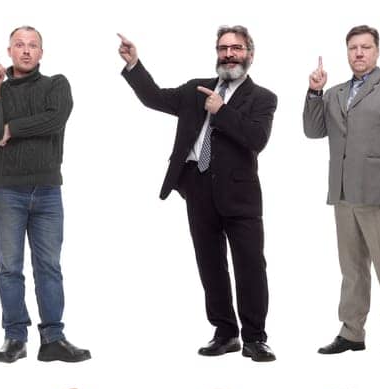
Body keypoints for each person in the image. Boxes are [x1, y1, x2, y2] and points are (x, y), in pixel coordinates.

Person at [118, 26, 277, 361]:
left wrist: (222, 110)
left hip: (240, 194)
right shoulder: (195, 90)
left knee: (250, 265)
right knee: (210, 264)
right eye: (223, 48)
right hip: (198, 187)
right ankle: (225, 333)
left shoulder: (262, 98)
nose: (229, 54)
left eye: (236, 48)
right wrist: (134, 64)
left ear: (249, 53)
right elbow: (155, 98)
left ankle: (255, 338)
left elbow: (256, 139)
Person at [303, 25, 380, 363]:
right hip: (343, 192)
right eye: (353, 48)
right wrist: (314, 91)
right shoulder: (335, 92)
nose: (359, 53)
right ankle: (352, 332)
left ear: (377, 51)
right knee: (352, 268)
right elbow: (313, 131)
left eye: (365, 47)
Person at [0, 26, 89, 364]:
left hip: (47, 190)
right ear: (9, 51)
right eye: (19, 45)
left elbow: (55, 120)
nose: (26, 51)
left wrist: (12, 129)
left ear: (42, 52)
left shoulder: (57, 85)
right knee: (9, 268)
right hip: (6, 189)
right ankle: (15, 338)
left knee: (49, 267)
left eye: (33, 46)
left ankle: (53, 338)